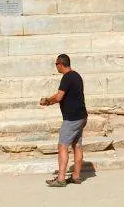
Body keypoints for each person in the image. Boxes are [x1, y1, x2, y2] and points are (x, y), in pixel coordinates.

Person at [39, 53, 87, 187]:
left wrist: (47, 101)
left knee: (62, 146)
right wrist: (50, 101)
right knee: (77, 145)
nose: (56, 67)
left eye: (56, 64)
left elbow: (59, 97)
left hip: (71, 118)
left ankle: (60, 178)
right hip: (82, 116)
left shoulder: (66, 77)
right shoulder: (77, 75)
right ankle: (76, 176)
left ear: (60, 64)